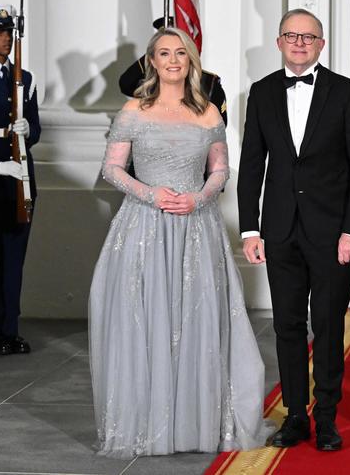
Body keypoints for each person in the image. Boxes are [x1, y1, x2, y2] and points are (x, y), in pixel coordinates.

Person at [89, 27, 270, 459]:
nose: (173, 61)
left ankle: (196, 423)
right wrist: (151, 194)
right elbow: (112, 168)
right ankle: (147, 422)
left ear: (191, 61)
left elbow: (220, 171)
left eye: (180, 54)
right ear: (151, 61)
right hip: (142, 227)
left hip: (196, 228)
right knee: (146, 320)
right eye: (164, 54)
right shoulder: (134, 108)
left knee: (196, 320)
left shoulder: (208, 112)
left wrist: (198, 198)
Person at [237, 9, 350, 451]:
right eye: (291, 36)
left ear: (321, 44)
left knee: (329, 325)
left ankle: (328, 418)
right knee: (288, 326)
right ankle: (296, 415)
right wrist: (249, 229)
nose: (299, 43)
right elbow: (252, 163)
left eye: (308, 37)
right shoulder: (260, 93)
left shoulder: (349, 93)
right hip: (279, 230)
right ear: (279, 42)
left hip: (334, 232)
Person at [0, 5, 40, 356]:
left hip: (20, 179)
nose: (6, 38)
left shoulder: (25, 78)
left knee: (13, 260)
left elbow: (34, 129)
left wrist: (28, 130)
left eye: (9, 32)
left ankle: (9, 330)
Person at [118, 17, 227, 125]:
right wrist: (155, 49)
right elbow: (126, 84)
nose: (173, 60)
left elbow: (219, 126)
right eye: (165, 53)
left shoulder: (209, 82)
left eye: (180, 51)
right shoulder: (151, 79)